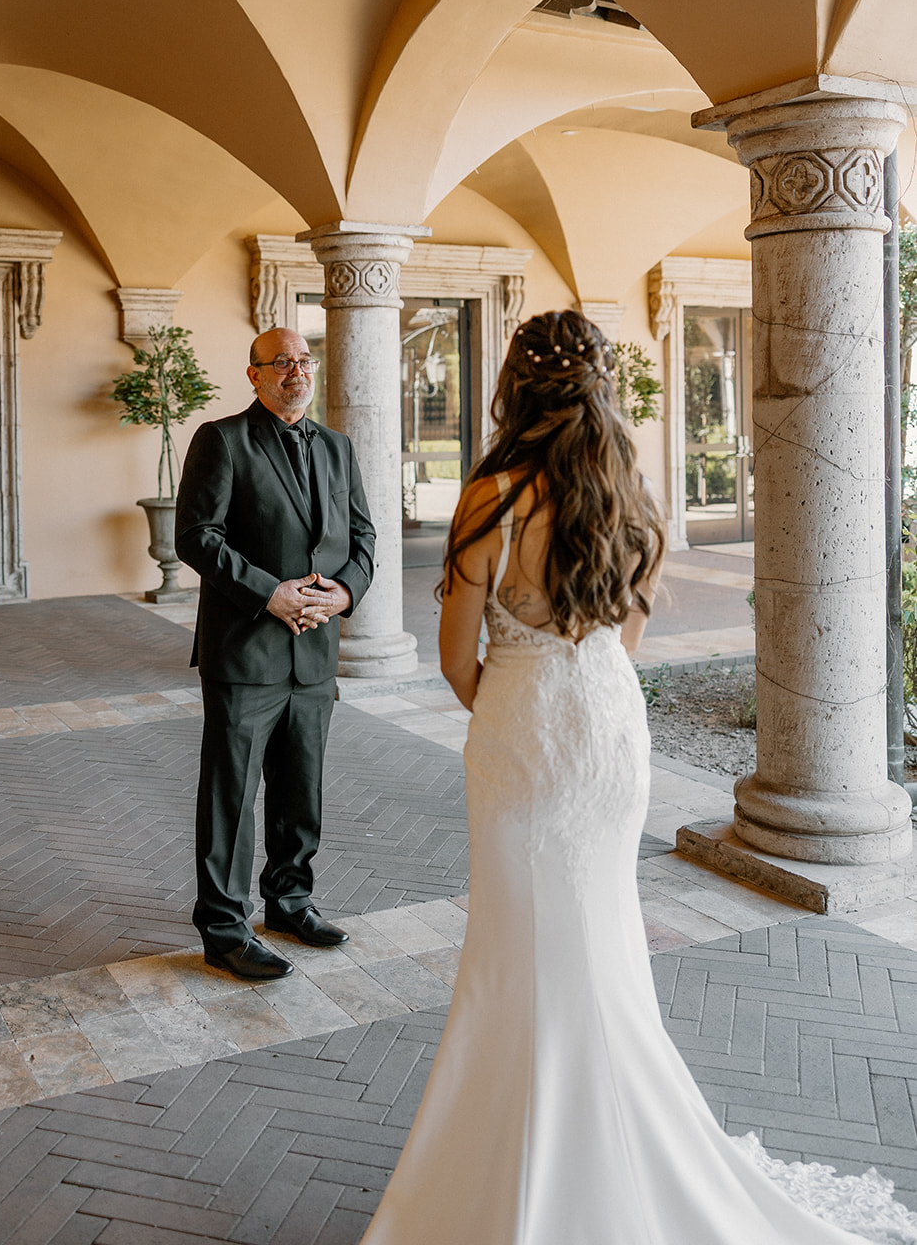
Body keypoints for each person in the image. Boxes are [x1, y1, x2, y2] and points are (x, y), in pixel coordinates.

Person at [362, 309, 917, 1245]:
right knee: (600, 943)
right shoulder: (629, 487)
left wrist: (515, 713)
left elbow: (458, 660)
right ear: (597, 383)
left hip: (526, 736)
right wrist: (572, 687)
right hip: (609, 727)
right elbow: (628, 634)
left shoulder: (491, 495)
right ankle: (600, 1146)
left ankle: (528, 1166)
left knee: (519, 950)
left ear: (515, 384)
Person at [174, 325, 375, 982]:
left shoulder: (339, 448)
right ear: (254, 374)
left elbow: (364, 537)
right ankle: (224, 929)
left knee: (300, 789)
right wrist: (270, 594)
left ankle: (289, 902)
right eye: (280, 362)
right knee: (231, 797)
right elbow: (196, 536)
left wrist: (343, 594)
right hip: (246, 652)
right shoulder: (222, 440)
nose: (296, 370)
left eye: (304, 360)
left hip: (315, 653)